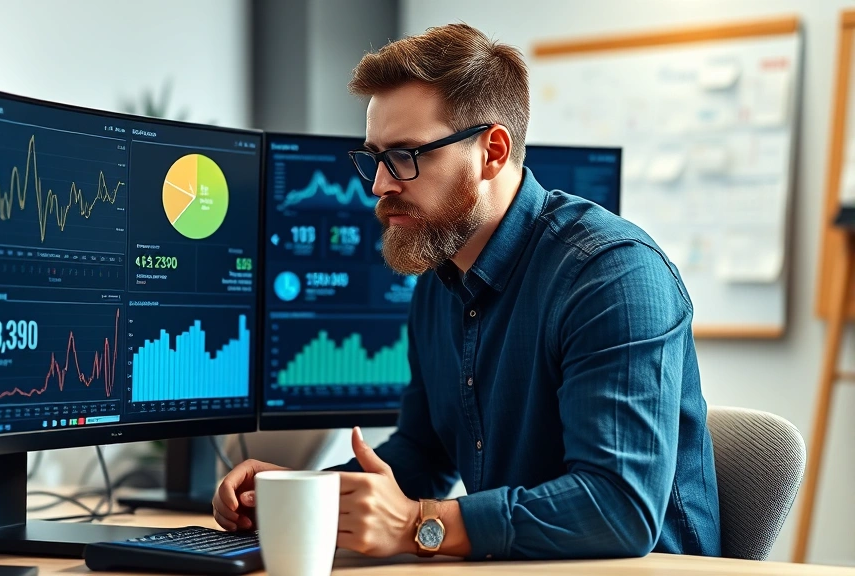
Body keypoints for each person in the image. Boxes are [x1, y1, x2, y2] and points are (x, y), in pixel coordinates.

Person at [212, 23, 720, 561]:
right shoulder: (440, 276)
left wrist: (420, 526)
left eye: (406, 155)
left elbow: (618, 508)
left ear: (492, 152)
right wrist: (300, 494)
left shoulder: (611, 276)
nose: (381, 185)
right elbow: (422, 455)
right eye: (374, 158)